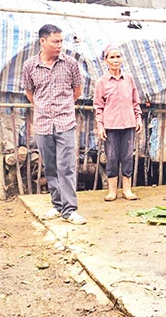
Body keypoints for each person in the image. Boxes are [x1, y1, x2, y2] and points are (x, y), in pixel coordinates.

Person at [22, 24, 86, 225]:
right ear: (43, 41)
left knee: (66, 167)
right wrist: (43, 107)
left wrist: (63, 106)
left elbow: (77, 91)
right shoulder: (30, 66)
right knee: (50, 167)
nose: (60, 45)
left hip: (65, 122)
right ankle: (57, 205)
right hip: (42, 124)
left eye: (61, 41)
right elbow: (29, 93)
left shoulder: (70, 64)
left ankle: (70, 210)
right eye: (55, 41)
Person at [93, 46, 142, 201]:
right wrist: (100, 126)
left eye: (118, 57)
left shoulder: (129, 79)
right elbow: (98, 106)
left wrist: (138, 118)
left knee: (127, 157)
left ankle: (127, 190)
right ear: (106, 60)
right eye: (112, 57)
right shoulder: (101, 82)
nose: (115, 60)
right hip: (111, 125)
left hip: (128, 123)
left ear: (122, 59)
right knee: (112, 157)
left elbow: (135, 101)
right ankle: (112, 190)